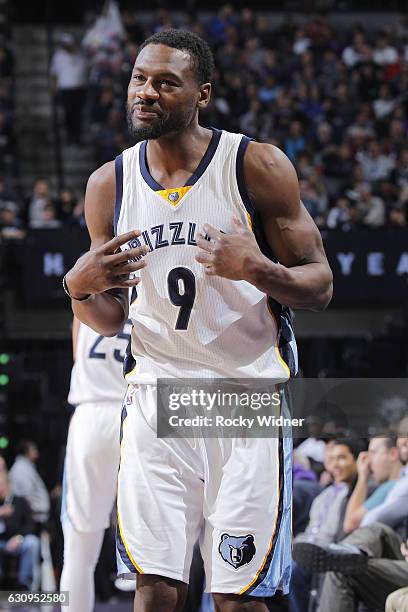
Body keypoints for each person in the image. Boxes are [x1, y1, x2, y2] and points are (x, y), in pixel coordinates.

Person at [63, 29, 332, 612]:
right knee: (154, 588)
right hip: (157, 395)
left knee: (237, 597)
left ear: (201, 95)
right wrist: (80, 292)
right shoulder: (108, 183)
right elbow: (109, 319)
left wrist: (258, 269)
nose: (147, 92)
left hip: (246, 396)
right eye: (139, 78)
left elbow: (320, 284)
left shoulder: (255, 165)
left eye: (166, 82)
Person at [59, 316, 131, 612]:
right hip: (136, 413)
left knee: (78, 554)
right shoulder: (149, 292)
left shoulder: (86, 288)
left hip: (91, 414)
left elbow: (77, 351)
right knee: (154, 553)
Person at [290, 438, 364, 612]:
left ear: (357, 460)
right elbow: (311, 529)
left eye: (342, 458)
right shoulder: (324, 494)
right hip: (307, 547)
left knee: (294, 570)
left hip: (327, 552)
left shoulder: (354, 495)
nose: (335, 464)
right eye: (331, 459)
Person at [343, 435, 402, 534]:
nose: (368, 461)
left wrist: (362, 478)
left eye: (373, 453)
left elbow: (350, 524)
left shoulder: (393, 485)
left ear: (393, 454)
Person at [0, 466, 40, 589]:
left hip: (18, 540)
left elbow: (30, 526)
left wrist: (18, 537)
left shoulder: (20, 502)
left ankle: (24, 583)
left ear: (8, 485)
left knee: (32, 542)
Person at [9, 440, 51, 530]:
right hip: (33, 517)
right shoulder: (21, 468)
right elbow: (26, 494)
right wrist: (30, 512)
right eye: (33, 449)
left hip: (37, 516)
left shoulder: (27, 466)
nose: (36, 452)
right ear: (26, 451)